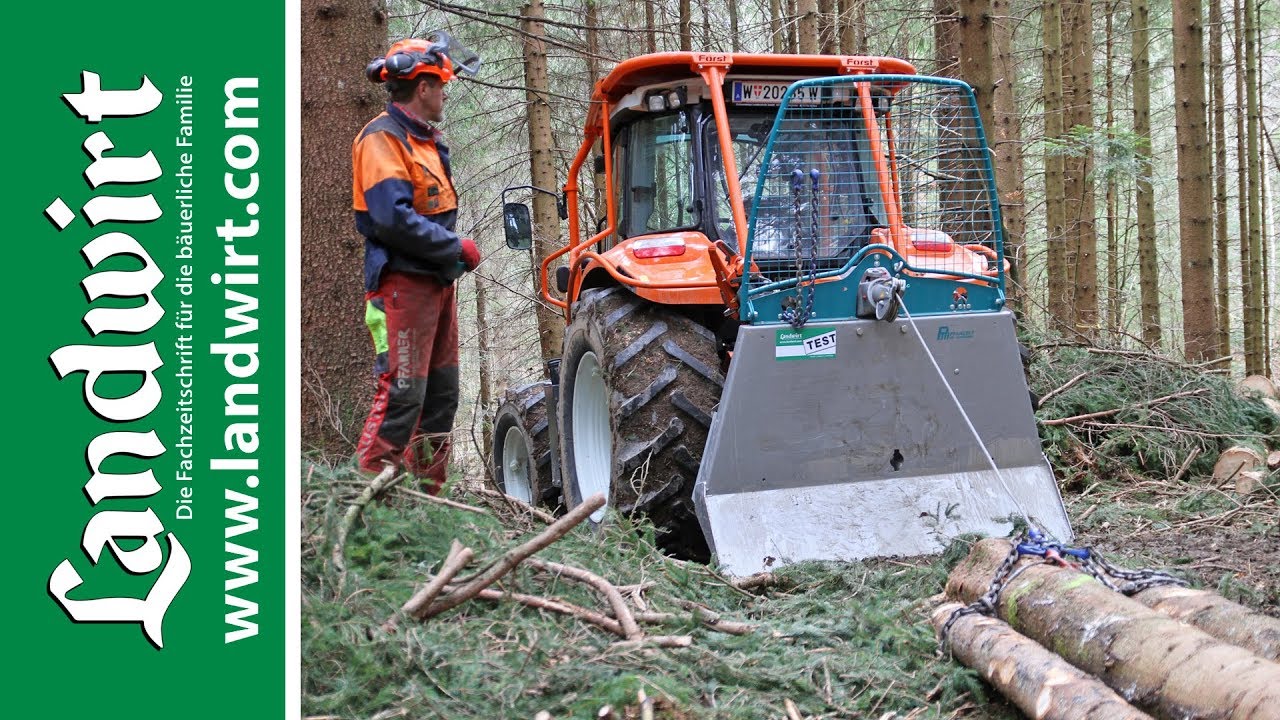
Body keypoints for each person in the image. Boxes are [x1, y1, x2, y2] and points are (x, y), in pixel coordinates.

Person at [352, 37, 481, 493]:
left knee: (441, 399)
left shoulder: (423, 140)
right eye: (442, 85)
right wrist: (453, 247)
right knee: (402, 395)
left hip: (435, 284)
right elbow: (391, 219)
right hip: (402, 287)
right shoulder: (382, 139)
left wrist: (448, 258)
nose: (446, 93)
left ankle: (428, 505)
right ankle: (366, 505)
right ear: (422, 87)